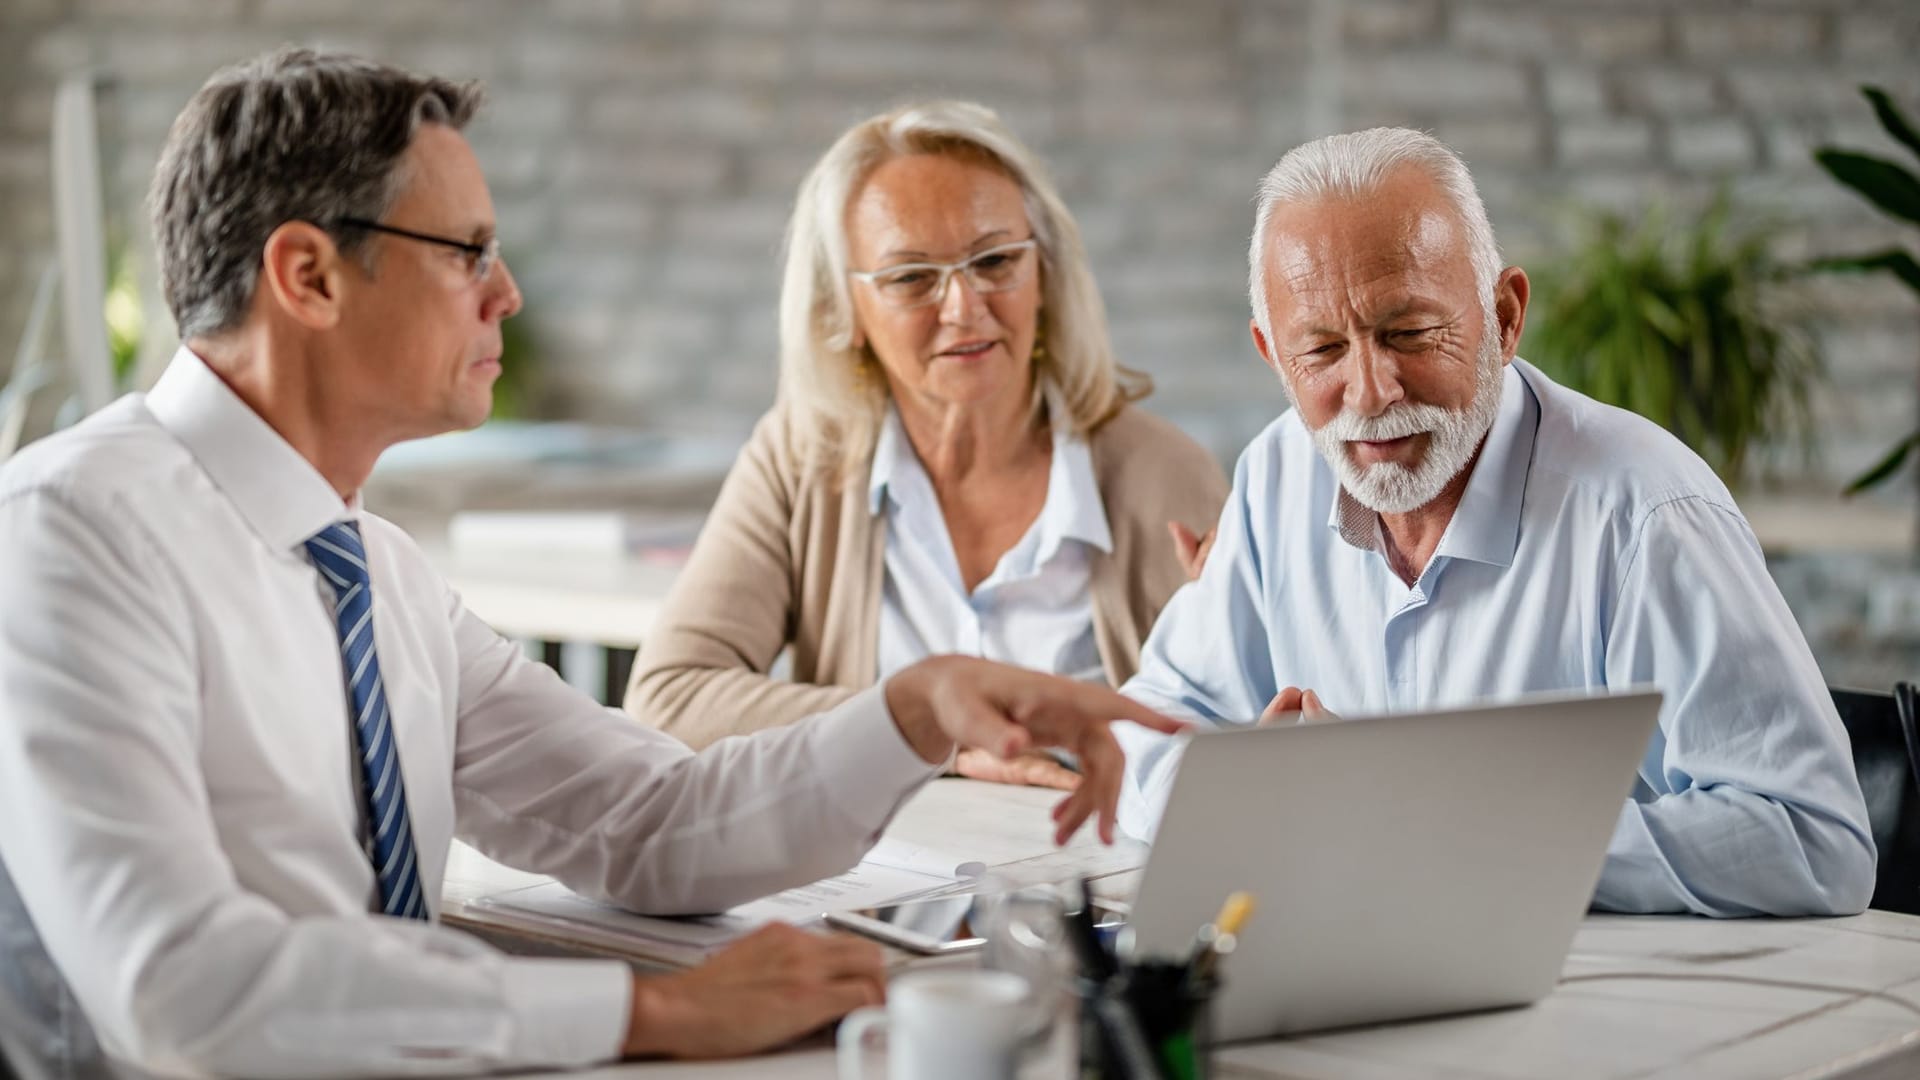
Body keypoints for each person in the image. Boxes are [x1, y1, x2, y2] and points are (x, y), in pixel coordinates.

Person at [0, 49, 1183, 1079]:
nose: (506, 294)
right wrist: (652, 1010)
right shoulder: (69, 530)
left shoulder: (378, 578)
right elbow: (176, 989)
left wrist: (919, 713)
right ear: (307, 275)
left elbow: (653, 819)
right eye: (468, 251)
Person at [1113, 127, 1875, 918]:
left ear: (1505, 317)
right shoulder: (1278, 473)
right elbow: (1149, 726)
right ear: (1273, 355)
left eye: (1408, 333)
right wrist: (1244, 797)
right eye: (1322, 349)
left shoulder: (1645, 512)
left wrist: (1441, 824)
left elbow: (1815, 840)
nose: (1369, 392)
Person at [621, 101, 1228, 790]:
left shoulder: (1164, 473)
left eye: (995, 261)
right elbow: (670, 698)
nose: (964, 309)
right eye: (910, 277)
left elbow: (1231, 731)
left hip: (1090, 878)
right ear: (841, 311)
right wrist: (931, 729)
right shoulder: (803, 456)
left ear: (1046, 278)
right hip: (876, 885)